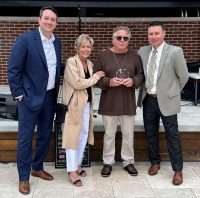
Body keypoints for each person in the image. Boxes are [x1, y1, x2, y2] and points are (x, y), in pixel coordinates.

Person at [7, 6, 63, 194]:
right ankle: (24, 177)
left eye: (53, 19)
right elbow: (13, 69)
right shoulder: (25, 40)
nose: (49, 22)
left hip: (49, 97)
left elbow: (54, 67)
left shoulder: (57, 42)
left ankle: (37, 168)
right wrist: (19, 94)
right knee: (25, 138)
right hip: (29, 98)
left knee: (45, 135)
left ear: (56, 22)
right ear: (39, 20)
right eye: (46, 18)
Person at [137, 21, 189, 185]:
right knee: (150, 133)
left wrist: (172, 92)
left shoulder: (175, 52)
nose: (153, 37)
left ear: (164, 33)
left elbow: (184, 76)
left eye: (156, 33)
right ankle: (155, 162)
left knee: (172, 136)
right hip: (149, 100)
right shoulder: (143, 51)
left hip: (167, 101)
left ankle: (178, 170)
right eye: (150, 34)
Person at [93, 26, 144, 177]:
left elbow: (141, 75)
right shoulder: (103, 56)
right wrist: (108, 81)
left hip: (127, 102)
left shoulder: (134, 56)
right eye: (119, 38)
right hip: (109, 102)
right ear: (113, 39)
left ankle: (128, 161)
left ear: (129, 40)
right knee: (109, 134)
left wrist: (133, 81)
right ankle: (108, 162)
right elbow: (97, 78)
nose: (122, 40)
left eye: (125, 38)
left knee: (128, 134)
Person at [62, 34, 105, 187]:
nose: (86, 49)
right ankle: (71, 171)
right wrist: (95, 78)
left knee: (84, 134)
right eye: (83, 46)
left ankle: (78, 164)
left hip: (86, 105)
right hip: (74, 105)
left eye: (88, 46)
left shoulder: (91, 64)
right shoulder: (71, 62)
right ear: (77, 47)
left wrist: (97, 77)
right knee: (72, 136)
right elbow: (78, 83)